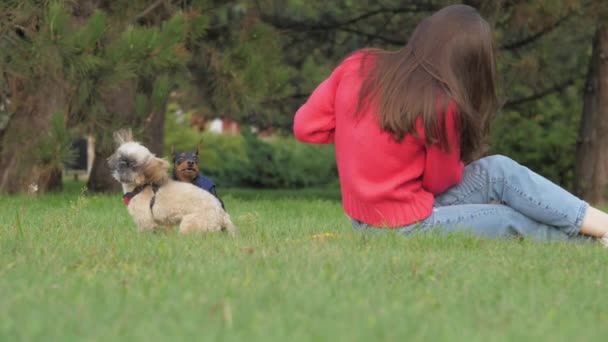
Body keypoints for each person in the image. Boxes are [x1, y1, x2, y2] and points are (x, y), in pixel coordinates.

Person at [293, 4, 608, 244]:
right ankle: (590, 243)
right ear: (469, 63)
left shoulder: (357, 65)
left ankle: (602, 224)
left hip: (366, 218)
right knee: (508, 218)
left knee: (500, 168)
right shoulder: (438, 105)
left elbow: (306, 126)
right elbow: (439, 182)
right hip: (402, 228)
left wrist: (359, 135)